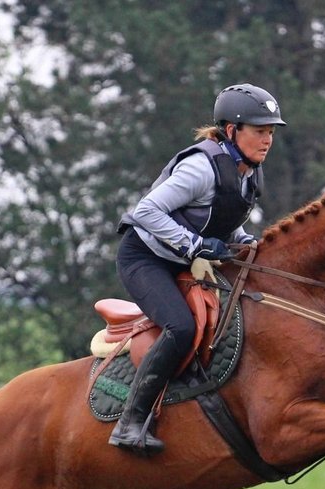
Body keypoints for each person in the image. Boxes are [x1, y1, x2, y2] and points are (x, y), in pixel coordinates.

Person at [110, 83, 286, 456]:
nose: (267, 140)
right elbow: (146, 211)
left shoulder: (248, 170)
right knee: (181, 327)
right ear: (232, 130)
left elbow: (223, 221)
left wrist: (245, 242)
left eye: (271, 132)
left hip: (180, 260)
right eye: (260, 131)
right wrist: (195, 246)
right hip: (145, 258)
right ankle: (130, 423)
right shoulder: (200, 168)